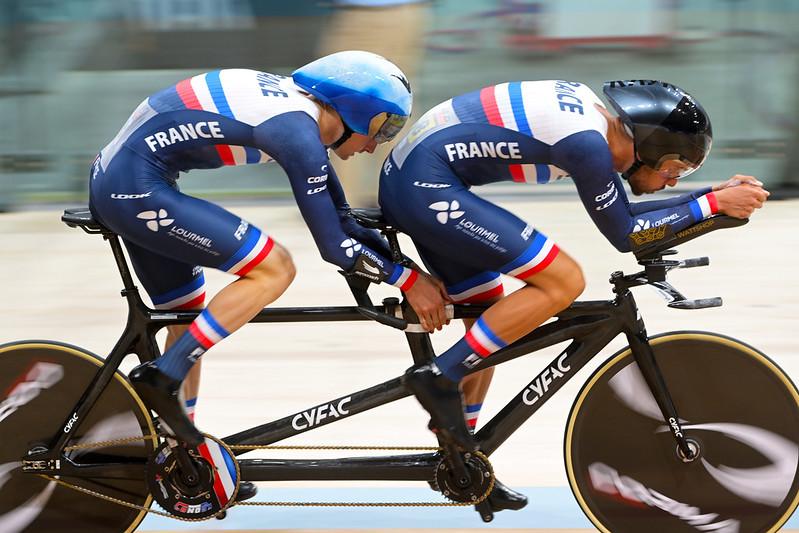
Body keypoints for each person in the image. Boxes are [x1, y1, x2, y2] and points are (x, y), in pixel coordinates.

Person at [379, 79, 769, 512]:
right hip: (427, 186)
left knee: (489, 327)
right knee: (565, 281)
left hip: (418, 179)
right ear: (650, 147)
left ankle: (462, 463)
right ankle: (438, 376)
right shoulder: (587, 145)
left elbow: (624, 214)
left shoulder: (592, 123)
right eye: (676, 167)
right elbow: (627, 235)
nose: (674, 178)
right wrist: (711, 207)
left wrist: (711, 196)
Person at [87, 50, 450, 500]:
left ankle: (183, 458)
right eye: (384, 127)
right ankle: (162, 378)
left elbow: (343, 220)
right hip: (135, 188)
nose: (377, 144)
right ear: (353, 108)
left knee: (185, 317)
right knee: (275, 268)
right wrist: (408, 283)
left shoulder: (299, 116)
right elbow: (334, 248)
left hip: (125, 177)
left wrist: (409, 271)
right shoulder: (296, 130)